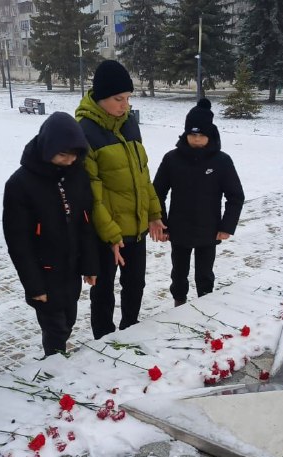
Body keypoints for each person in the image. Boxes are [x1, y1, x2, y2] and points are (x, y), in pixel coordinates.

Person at [75, 60, 165, 339]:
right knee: (103, 290)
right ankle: (104, 340)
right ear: (101, 97)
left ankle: (130, 329)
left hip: (136, 227)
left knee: (135, 284)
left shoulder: (130, 125)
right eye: (118, 99)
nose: (125, 105)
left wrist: (154, 214)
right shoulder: (84, 131)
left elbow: (143, 175)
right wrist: (111, 235)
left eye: (128, 98)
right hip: (107, 234)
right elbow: (92, 194)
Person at [3, 113, 98, 356]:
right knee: (55, 329)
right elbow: (18, 242)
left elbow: (85, 223)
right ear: (48, 149)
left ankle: (57, 360)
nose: (69, 160)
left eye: (75, 154)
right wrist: (34, 286)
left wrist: (89, 265)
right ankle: (54, 367)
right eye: (63, 154)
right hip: (44, 272)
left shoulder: (77, 175)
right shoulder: (20, 184)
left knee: (68, 321)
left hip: (71, 268)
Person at [153, 98, 245, 306]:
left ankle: (205, 303)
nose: (196, 139)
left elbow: (235, 196)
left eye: (201, 135)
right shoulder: (172, 159)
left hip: (209, 230)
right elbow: (157, 192)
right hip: (179, 230)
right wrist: (163, 224)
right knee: (179, 272)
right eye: (192, 134)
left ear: (210, 135)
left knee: (205, 273)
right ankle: (179, 302)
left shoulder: (221, 161)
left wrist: (226, 226)